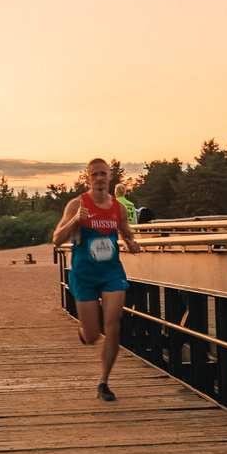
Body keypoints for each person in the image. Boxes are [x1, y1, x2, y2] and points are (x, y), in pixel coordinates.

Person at [52, 157, 142, 401]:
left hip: (112, 273)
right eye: (95, 175)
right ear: (88, 178)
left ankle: (104, 382)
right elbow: (56, 239)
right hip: (84, 275)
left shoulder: (118, 208)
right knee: (93, 336)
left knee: (112, 326)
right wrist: (74, 221)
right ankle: (84, 332)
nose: (100, 178)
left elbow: (127, 234)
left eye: (104, 174)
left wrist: (132, 244)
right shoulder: (76, 204)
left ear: (110, 177)